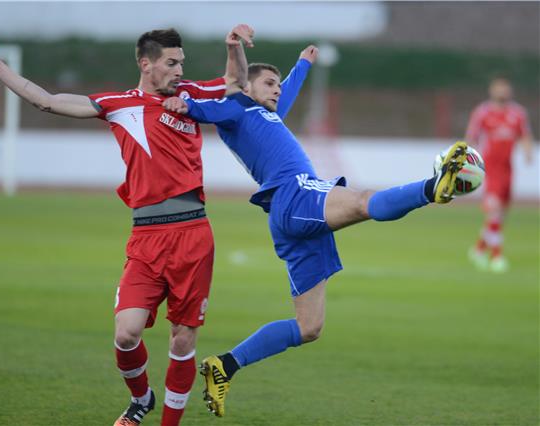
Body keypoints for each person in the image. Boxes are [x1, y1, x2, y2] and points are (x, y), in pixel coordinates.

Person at [0, 25, 253, 426]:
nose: (178, 71)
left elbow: (237, 81)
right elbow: (46, 100)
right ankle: (141, 399)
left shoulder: (191, 96)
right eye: (171, 63)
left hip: (192, 234)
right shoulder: (120, 104)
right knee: (126, 334)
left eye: (181, 63)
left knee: (182, 340)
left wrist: (233, 47)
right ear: (145, 63)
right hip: (147, 237)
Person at [162, 45, 469, 417]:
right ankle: (430, 188)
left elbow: (288, 89)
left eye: (277, 84)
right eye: (268, 83)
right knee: (361, 201)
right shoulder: (236, 107)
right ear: (246, 86)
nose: (277, 90)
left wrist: (304, 63)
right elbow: (203, 106)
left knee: (309, 327)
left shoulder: (266, 112)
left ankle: (224, 365)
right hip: (295, 193)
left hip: (289, 216)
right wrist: (182, 101)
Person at [465, 76, 534, 273]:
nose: (503, 91)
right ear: (492, 90)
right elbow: (472, 137)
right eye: (499, 88)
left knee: (500, 216)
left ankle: (478, 250)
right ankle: (496, 257)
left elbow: (525, 135)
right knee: (494, 211)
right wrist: (467, 163)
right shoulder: (482, 112)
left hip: (507, 169)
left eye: (506, 88)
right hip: (490, 168)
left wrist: (528, 151)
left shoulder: (517, 113)